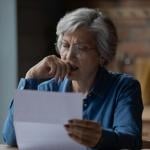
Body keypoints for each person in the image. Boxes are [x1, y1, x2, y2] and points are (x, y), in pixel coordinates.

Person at [2, 8, 143, 149]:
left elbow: (131, 141)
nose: (69, 56)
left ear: (102, 54)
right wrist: (30, 76)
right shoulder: (48, 89)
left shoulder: (124, 88)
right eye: (65, 45)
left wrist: (100, 138)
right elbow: (11, 139)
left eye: (81, 48)